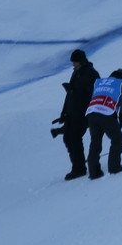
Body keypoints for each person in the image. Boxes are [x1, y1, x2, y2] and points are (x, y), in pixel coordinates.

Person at [53, 49, 100, 180]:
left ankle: (79, 169)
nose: (74, 64)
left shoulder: (91, 74)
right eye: (73, 62)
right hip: (72, 113)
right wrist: (63, 113)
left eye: (76, 62)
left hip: (83, 114)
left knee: (74, 139)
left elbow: (94, 95)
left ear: (82, 61)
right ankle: (77, 166)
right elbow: (70, 95)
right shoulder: (76, 73)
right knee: (68, 138)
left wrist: (91, 112)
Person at [85, 68, 122, 178]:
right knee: (117, 139)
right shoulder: (120, 84)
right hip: (106, 113)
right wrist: (120, 122)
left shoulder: (100, 83)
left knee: (95, 142)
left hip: (92, 113)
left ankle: (94, 172)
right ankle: (114, 168)